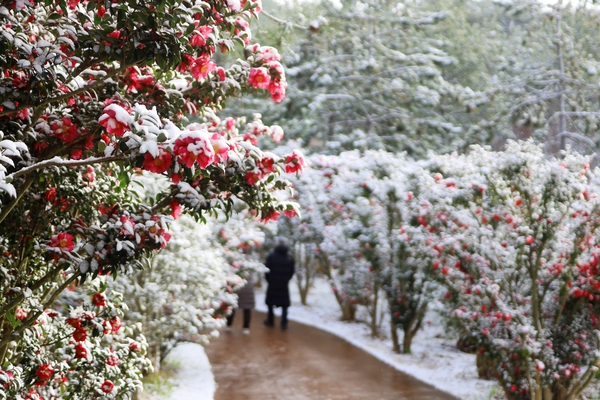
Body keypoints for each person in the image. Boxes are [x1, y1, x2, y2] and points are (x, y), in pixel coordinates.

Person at [264, 241, 295, 329]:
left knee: (270, 303)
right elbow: (292, 271)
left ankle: (270, 320)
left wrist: (269, 280)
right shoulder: (289, 258)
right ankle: (284, 322)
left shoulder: (271, 256)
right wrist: (286, 279)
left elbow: (266, 270)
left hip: (273, 283)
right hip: (284, 284)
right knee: (284, 304)